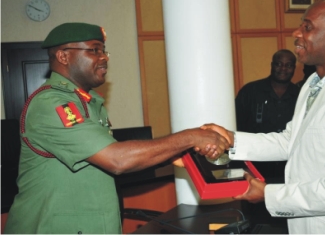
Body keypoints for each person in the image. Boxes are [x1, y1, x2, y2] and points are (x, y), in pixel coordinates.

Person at [4, 22, 229, 234]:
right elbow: (117, 160)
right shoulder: (52, 104)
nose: (103, 58)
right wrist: (191, 137)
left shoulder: (88, 102)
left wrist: (169, 156)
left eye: (104, 51)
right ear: (63, 56)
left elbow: (102, 160)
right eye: (94, 50)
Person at [200, 0, 325, 233]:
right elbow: (290, 141)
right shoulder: (313, 82)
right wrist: (231, 140)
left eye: (308, 27)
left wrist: (269, 194)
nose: (296, 33)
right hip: (308, 221)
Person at [235, 49, 299, 183]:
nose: (283, 69)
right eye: (279, 64)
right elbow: (237, 127)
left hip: (290, 170)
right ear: (272, 65)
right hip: (255, 168)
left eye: (288, 65)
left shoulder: (301, 95)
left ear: (294, 68)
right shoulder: (250, 91)